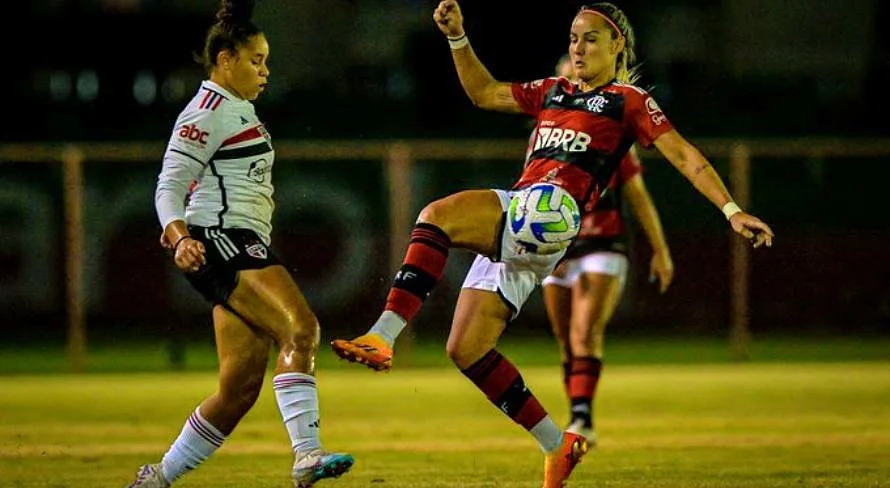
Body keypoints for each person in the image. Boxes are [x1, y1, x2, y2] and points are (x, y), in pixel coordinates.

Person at [332, 1, 773, 487]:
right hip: (533, 220)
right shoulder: (554, 91)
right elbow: (482, 92)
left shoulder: (629, 100)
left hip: (552, 212)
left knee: (436, 216)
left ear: (617, 44)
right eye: (573, 38)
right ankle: (556, 444)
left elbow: (684, 155)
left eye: (590, 38)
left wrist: (731, 210)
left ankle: (383, 335)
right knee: (466, 349)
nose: (578, 47)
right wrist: (458, 37)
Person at [128, 1, 354, 486]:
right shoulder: (207, 111)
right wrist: (180, 235)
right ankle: (307, 454)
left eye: (267, 61)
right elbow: (169, 185)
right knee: (301, 330)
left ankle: (157, 477)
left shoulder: (235, 109)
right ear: (225, 59)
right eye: (256, 60)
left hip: (230, 241)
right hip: (224, 240)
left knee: (240, 388)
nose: (265, 71)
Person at [543, 54, 674, 447]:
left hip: (604, 243)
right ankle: (576, 413)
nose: (570, 83)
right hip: (559, 247)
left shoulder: (612, 133)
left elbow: (638, 197)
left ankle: (583, 419)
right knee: (566, 339)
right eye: (563, 77)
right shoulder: (547, 133)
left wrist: (660, 249)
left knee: (585, 332)